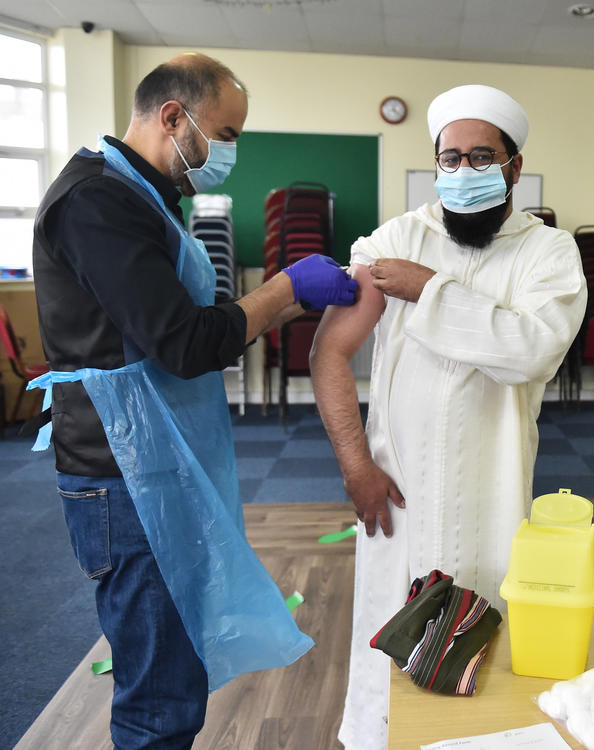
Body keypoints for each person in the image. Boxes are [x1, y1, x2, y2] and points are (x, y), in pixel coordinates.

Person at [30, 53, 357, 749]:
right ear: (173, 116)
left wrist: (276, 308)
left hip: (156, 465)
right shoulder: (97, 201)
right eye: (228, 133)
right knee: (158, 699)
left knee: (173, 672)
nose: (232, 152)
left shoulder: (147, 198)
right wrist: (283, 290)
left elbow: (171, 324)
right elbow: (182, 342)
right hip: (123, 478)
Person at [309, 83, 588, 749]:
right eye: (450, 159)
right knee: (388, 644)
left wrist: (431, 291)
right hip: (395, 492)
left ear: (515, 166)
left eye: (481, 158)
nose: (463, 173)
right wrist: (355, 466)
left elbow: (529, 352)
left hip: (490, 497)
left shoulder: (548, 255)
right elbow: (331, 352)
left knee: (480, 659)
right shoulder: (397, 240)